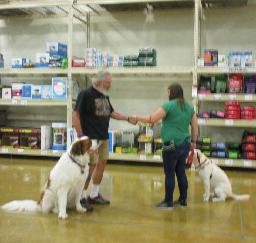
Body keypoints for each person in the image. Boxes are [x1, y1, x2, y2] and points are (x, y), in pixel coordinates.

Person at [73, 70, 136, 211]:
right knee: (90, 168)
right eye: (108, 82)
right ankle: (81, 197)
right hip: (90, 139)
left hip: (103, 137)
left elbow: (111, 112)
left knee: (101, 164)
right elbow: (75, 114)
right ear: (100, 81)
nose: (110, 85)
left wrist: (127, 118)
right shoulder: (85, 94)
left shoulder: (104, 96)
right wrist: (81, 136)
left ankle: (94, 195)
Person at [132, 83, 198, 209]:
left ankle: (168, 202)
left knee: (169, 173)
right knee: (181, 172)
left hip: (170, 144)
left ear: (171, 92)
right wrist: (193, 142)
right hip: (185, 143)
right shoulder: (190, 107)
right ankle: (183, 200)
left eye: (168, 92)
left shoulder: (169, 105)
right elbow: (195, 126)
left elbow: (152, 119)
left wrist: (137, 118)